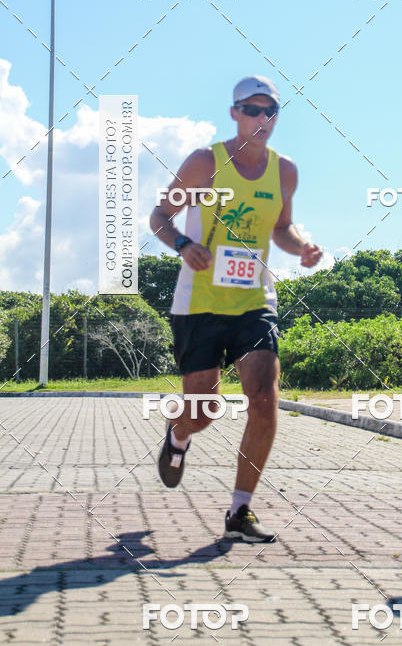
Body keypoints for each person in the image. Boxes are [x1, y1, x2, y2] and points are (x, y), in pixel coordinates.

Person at [150, 75, 322, 541]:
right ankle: (178, 435)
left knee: (264, 399)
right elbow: (160, 217)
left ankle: (239, 511)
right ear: (234, 112)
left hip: (253, 301)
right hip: (199, 303)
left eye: (271, 112)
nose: (262, 119)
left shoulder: (284, 171)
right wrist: (185, 244)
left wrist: (302, 246)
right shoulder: (205, 162)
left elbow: (282, 229)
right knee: (203, 411)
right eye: (252, 109)